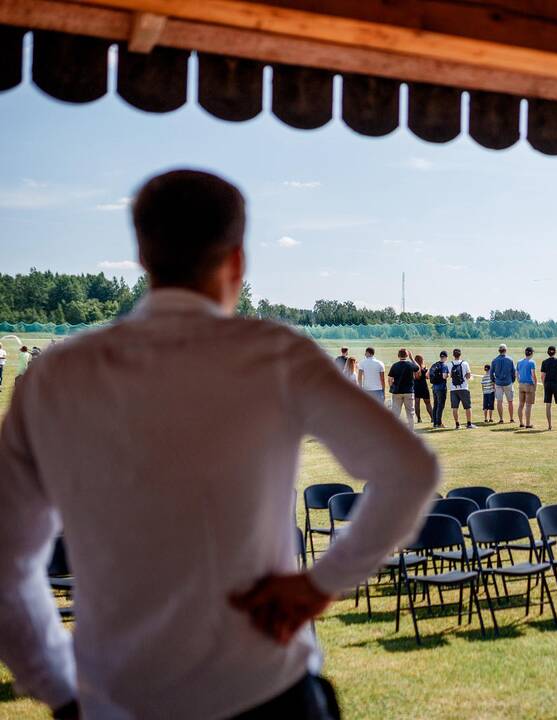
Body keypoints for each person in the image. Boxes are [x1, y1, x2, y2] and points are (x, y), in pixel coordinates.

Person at [0, 169, 439, 720]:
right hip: (265, 687)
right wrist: (323, 583)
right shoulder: (273, 354)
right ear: (237, 260)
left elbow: (7, 561)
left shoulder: (55, 376)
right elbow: (410, 469)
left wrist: (59, 689)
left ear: (142, 254)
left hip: (118, 697)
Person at [388, 348, 419, 430]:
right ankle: (411, 430)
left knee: (396, 413)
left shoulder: (395, 365)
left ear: (398, 356)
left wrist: (392, 387)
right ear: (407, 355)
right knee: (410, 413)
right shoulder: (410, 365)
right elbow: (418, 368)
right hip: (408, 391)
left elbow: (390, 379)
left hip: (397, 391)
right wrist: (412, 358)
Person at [540, 345, 557, 431]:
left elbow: (542, 376)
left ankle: (549, 426)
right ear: (555, 352)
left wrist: (544, 385)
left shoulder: (544, 362)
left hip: (548, 384)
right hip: (556, 384)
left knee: (548, 405)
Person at [448, 348, 476, 429]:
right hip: (464, 387)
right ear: (460, 355)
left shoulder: (450, 364)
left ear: (453, 355)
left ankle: (457, 424)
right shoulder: (465, 363)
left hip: (453, 389)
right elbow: (468, 375)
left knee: (455, 407)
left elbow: (449, 375)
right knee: (467, 407)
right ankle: (469, 423)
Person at [490, 344, 516, 424]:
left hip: (498, 383)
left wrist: (494, 381)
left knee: (499, 401)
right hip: (508, 382)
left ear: (499, 351)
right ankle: (511, 419)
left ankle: (501, 419)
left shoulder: (494, 360)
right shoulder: (510, 360)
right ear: (506, 350)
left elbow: (491, 373)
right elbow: (513, 372)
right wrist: (512, 381)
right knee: (510, 401)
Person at [516, 347, 538, 429]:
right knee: (528, 405)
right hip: (529, 385)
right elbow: (533, 375)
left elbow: (517, 374)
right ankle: (528, 424)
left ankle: (521, 423)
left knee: (521, 405)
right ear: (531, 353)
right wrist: (535, 385)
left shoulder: (519, 362)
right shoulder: (532, 362)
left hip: (521, 384)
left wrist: (519, 381)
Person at [429, 350, 449, 428]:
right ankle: (439, 423)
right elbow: (444, 376)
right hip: (441, 388)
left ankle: (435, 423)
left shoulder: (434, 365)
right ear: (446, 357)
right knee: (440, 406)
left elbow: (429, 374)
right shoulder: (444, 365)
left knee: (436, 405)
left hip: (434, 387)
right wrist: (448, 375)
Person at [413, 354, 432, 424]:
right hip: (424, 386)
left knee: (417, 403)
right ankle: (432, 418)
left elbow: (415, 377)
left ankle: (419, 419)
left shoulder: (414, 368)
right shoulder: (424, 367)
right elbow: (427, 377)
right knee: (428, 403)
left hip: (416, 386)